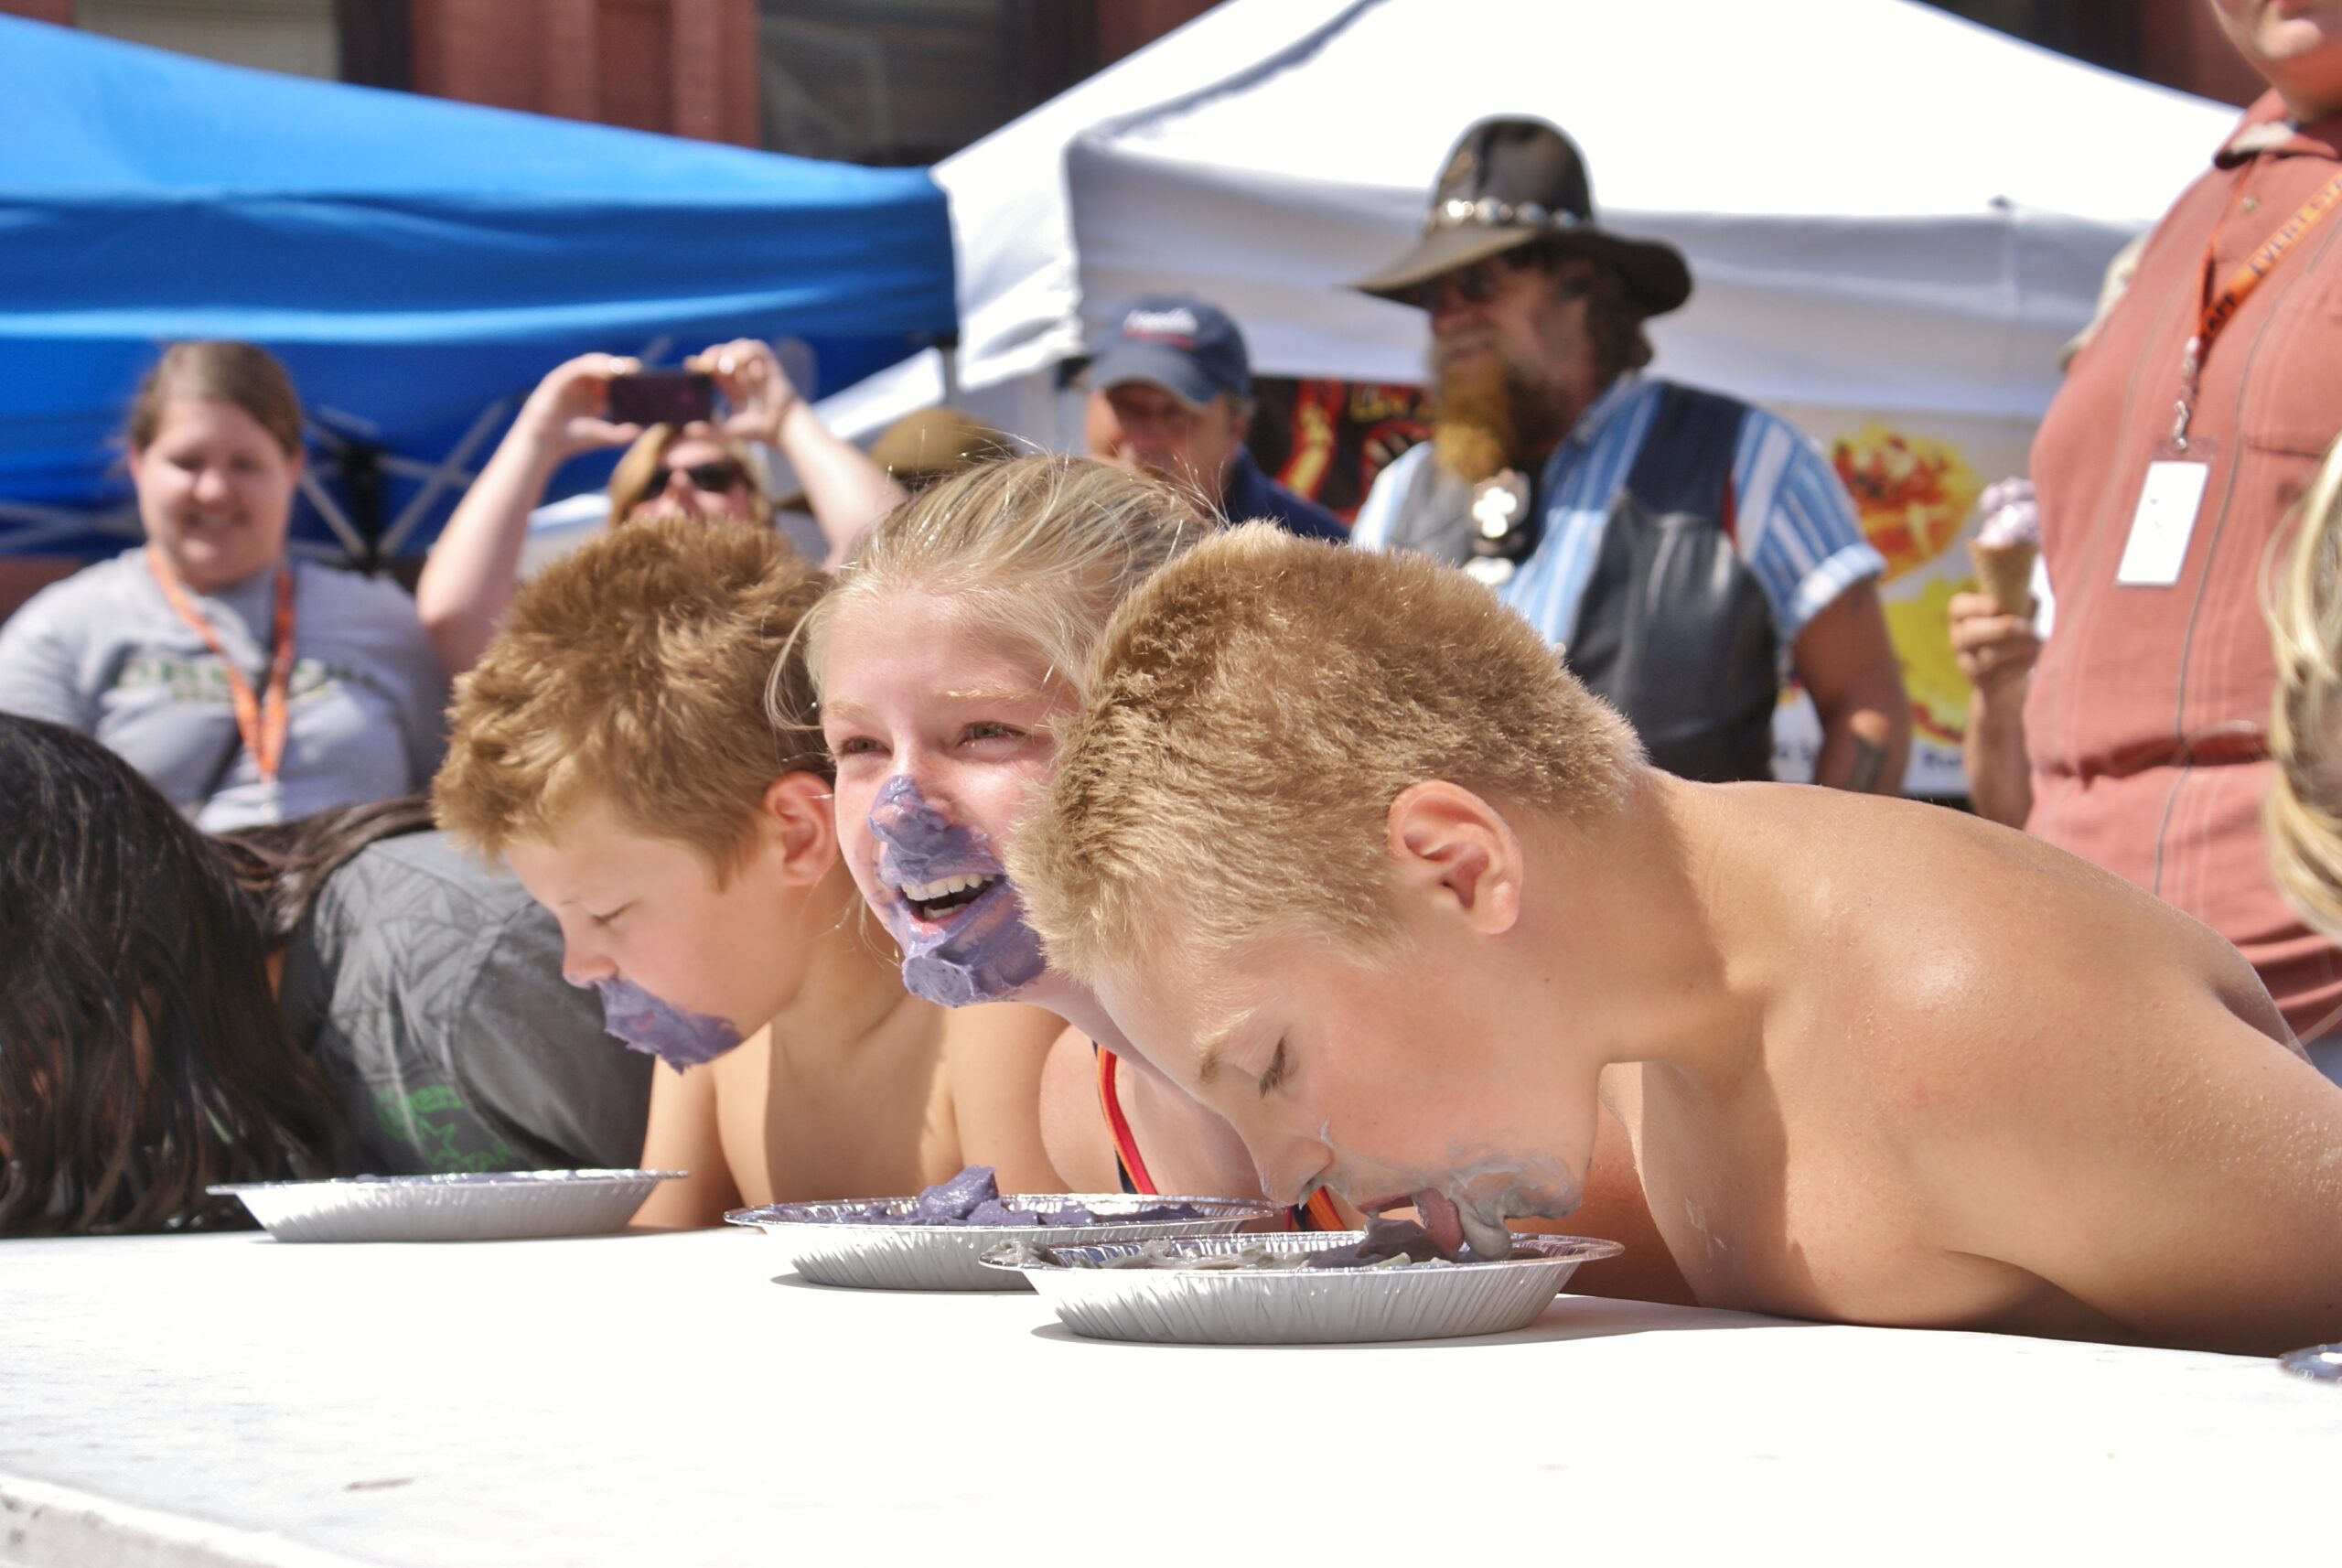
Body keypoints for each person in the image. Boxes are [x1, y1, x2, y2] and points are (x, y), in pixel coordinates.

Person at [1009, 524, 2342, 1356]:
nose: (1283, 1164)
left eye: (1275, 1062)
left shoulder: (1958, 1025)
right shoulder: (1650, 1027)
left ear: (1461, 869)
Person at [432, 514, 1063, 1227]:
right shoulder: (726, 1030)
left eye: (605, 913)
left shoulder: (993, 1008)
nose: (576, 967)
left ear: (794, 837)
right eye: (561, 921)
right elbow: (661, 1262)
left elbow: (1042, 1288)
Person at [1950, 1, 2342, 1047]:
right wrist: (2008, 696)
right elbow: (2020, 775)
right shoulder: (2171, 235)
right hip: (2082, 980)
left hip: (2310, 990)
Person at [1348, 117, 1908, 789]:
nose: (1448, 317)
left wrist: (1809, 888)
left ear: (1578, 283)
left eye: (1479, 285)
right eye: (1430, 294)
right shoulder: (1404, 492)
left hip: (1692, 896)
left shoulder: (1748, 460)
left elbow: (1866, 705)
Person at [0, 716, 644, 1236]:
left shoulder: (471, 972)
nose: (11, 1134)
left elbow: (714, 1220)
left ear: (98, 952)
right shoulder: (186, 1064)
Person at [0, 342, 447, 831]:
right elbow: (30, 832)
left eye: (246, 464)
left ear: (293, 467)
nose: (214, 490)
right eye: (187, 462)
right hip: (166, 904)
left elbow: (455, 798)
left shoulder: (385, 620)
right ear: (137, 463)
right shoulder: (60, 630)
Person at [414, 338, 906, 675]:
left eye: (711, 476)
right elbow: (455, 614)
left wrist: (787, 419)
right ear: (621, 520)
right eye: (651, 484)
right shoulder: (578, 640)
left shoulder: (806, 622)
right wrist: (535, 437)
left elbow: (891, 548)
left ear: (756, 509)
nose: (680, 490)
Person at [1081, 294, 1350, 542]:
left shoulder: (1311, 550)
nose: (1142, 439)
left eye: (1173, 412)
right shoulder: (1047, 528)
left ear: (1236, 428)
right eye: (1125, 406)